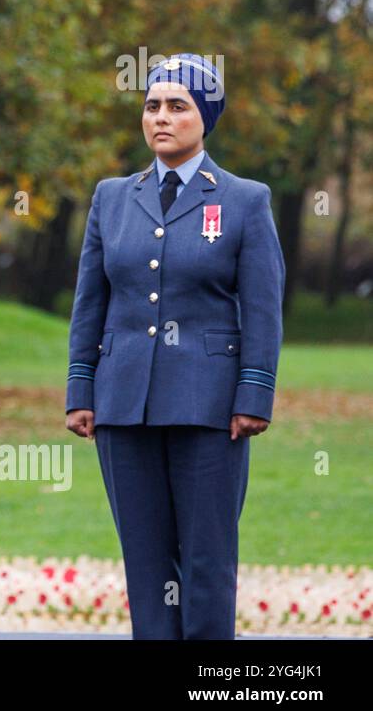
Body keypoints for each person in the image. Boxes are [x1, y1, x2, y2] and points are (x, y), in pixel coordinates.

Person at [65, 53, 284, 639]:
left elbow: (262, 309)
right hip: (123, 406)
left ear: (204, 118)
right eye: (152, 106)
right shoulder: (112, 197)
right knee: (146, 563)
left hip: (211, 408)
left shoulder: (244, 200)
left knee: (207, 562)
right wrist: (80, 389)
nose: (161, 117)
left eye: (178, 107)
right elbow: (91, 301)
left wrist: (254, 395)